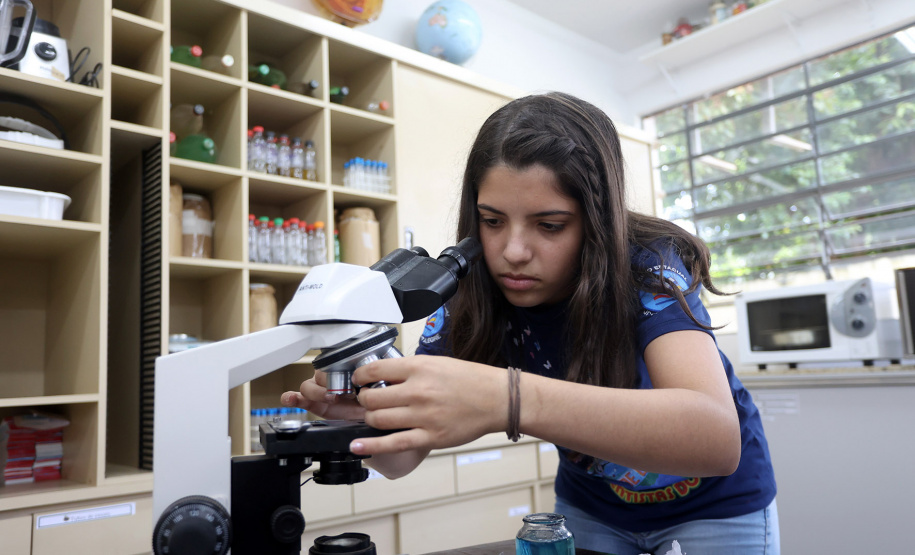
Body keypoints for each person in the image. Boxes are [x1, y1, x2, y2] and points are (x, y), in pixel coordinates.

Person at [282, 92, 779, 554]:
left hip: (715, 504)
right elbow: (400, 459)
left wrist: (508, 398)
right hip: (593, 508)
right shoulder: (470, 288)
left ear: (597, 223)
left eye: (549, 225)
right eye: (492, 221)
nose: (512, 253)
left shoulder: (649, 266)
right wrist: (362, 416)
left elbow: (715, 441)